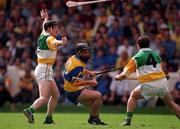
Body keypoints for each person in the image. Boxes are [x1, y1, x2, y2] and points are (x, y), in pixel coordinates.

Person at [115, 35, 180, 126]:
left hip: (150, 84)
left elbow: (125, 73)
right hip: (162, 82)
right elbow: (160, 69)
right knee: (171, 104)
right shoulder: (156, 55)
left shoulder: (136, 57)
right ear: (148, 45)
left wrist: (118, 77)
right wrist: (164, 75)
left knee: (133, 96)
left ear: (138, 45)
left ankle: (128, 120)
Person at [23, 9, 67, 124]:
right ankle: (30, 110)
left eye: (58, 27)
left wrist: (45, 18)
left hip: (43, 68)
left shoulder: (44, 33)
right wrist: (61, 42)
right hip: (45, 69)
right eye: (55, 28)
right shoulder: (50, 38)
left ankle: (48, 118)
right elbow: (54, 42)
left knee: (56, 95)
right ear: (50, 29)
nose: (58, 30)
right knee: (44, 97)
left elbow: (44, 25)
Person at [63, 43, 107, 125]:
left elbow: (80, 69)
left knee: (94, 104)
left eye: (87, 52)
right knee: (98, 95)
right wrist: (90, 82)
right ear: (79, 52)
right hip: (73, 92)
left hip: (70, 90)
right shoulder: (77, 65)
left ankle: (95, 119)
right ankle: (93, 118)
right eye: (84, 52)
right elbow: (75, 83)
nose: (87, 54)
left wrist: (90, 72)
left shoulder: (73, 58)